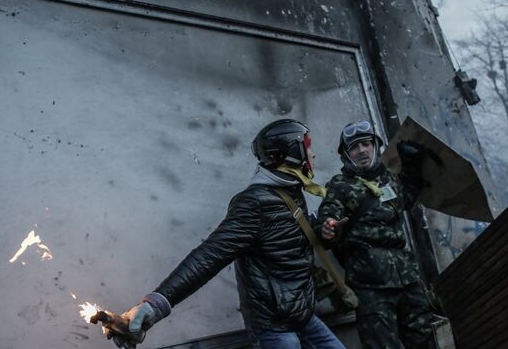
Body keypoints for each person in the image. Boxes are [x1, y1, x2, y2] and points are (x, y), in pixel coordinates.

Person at [108, 119, 346, 349]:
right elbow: (209, 256)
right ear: (293, 153)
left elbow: (289, 239)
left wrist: (324, 233)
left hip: (303, 316)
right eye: (308, 147)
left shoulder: (291, 190)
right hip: (274, 326)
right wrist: (156, 304)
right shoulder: (254, 204)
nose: (313, 154)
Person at [317, 120, 435, 349]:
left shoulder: (388, 178)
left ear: (375, 145)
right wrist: (328, 227)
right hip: (370, 284)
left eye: (366, 144)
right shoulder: (339, 185)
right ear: (346, 154)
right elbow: (328, 218)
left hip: (406, 277)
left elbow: (404, 202)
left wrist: (412, 168)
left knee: (424, 341)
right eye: (354, 147)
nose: (361, 150)